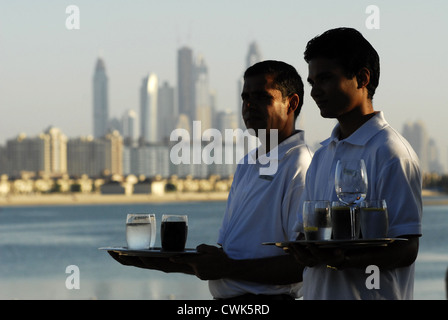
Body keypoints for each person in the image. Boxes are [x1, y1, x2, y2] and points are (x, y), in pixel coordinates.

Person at [110, 60, 313, 300]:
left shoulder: (299, 163)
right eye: (245, 97)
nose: (249, 105)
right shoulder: (248, 163)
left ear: (292, 103)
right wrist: (165, 262)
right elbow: (228, 259)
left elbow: (304, 264)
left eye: (261, 97)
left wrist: (225, 268)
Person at [288, 27, 422, 300]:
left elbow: (406, 249)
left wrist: (345, 259)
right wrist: (304, 248)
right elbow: (310, 233)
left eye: (325, 79)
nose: (315, 92)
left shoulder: (391, 152)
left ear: (362, 78)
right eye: (312, 82)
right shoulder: (323, 154)